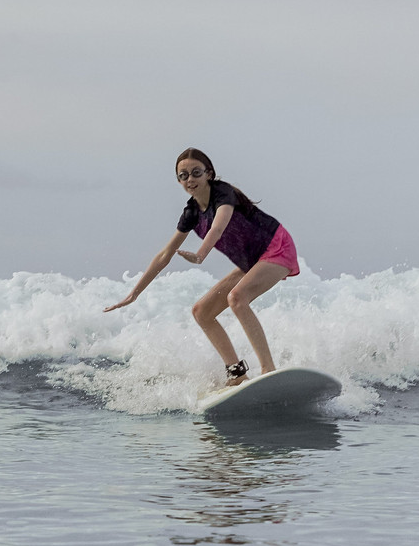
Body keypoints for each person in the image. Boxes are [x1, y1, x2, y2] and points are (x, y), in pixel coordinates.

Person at [104, 147, 300, 385]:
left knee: (237, 298)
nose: (190, 180)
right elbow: (165, 255)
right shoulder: (191, 213)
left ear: (209, 173)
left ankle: (268, 370)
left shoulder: (224, 193)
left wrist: (200, 254)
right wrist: (134, 294)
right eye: (183, 176)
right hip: (252, 262)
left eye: (196, 172)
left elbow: (218, 226)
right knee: (202, 312)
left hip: (277, 247)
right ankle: (237, 374)